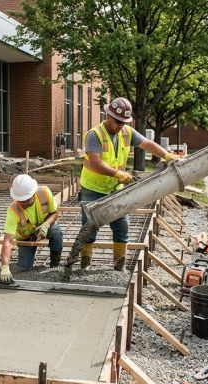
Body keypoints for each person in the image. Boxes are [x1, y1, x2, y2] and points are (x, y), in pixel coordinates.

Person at [79, 97, 181, 271]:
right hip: (93, 189)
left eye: (124, 121)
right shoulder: (95, 135)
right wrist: (118, 173)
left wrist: (167, 155)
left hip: (115, 189)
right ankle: (85, 264)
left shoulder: (126, 132)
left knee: (122, 226)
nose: (120, 125)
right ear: (108, 115)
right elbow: (96, 163)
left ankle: (119, 266)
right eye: (118, 121)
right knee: (89, 229)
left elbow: (147, 143)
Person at [0, 174, 64, 284]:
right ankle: (25, 261)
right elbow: (8, 241)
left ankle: (55, 264)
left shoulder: (44, 192)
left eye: (25, 200)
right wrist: (4, 267)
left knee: (56, 232)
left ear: (33, 193)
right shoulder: (12, 210)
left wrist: (46, 225)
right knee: (24, 267)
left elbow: (55, 213)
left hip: (46, 227)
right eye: (20, 200)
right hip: (26, 236)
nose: (22, 203)